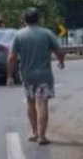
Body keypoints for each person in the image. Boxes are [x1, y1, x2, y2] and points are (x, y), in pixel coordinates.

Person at [6, 8, 64, 145]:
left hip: (27, 76)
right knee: (42, 103)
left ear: (24, 19)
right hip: (44, 75)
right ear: (38, 19)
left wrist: (9, 76)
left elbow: (12, 57)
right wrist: (61, 62)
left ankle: (34, 132)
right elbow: (59, 51)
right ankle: (42, 136)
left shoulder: (19, 35)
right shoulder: (47, 33)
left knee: (30, 102)